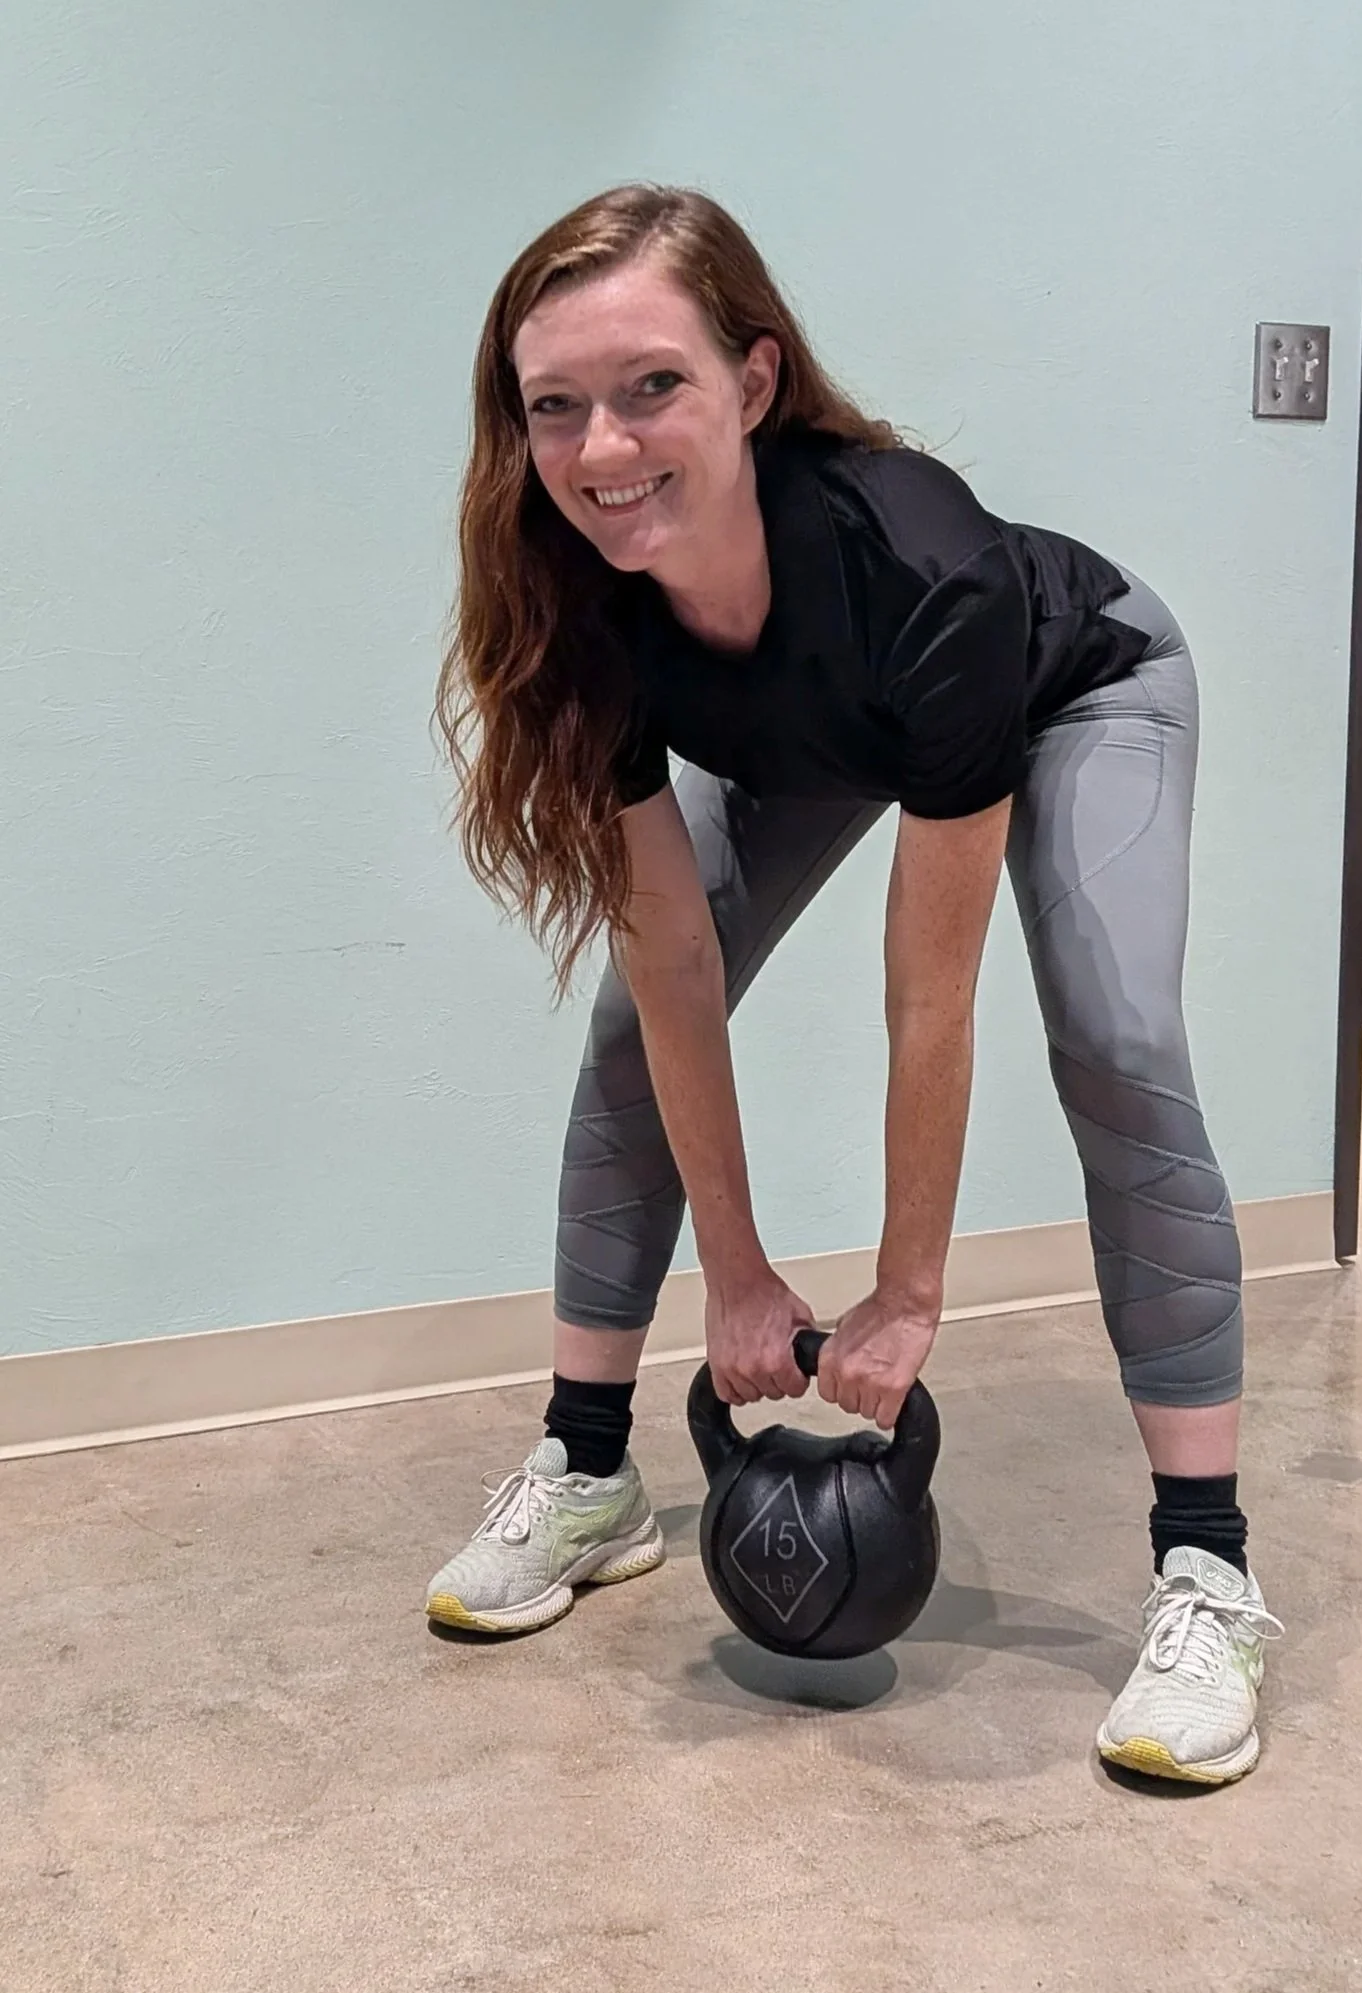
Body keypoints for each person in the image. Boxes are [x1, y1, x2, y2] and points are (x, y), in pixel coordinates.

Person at [429, 185, 1282, 1784]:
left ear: (754, 382)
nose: (602, 450)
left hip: (1072, 680)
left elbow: (926, 998)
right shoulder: (578, 604)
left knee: (1114, 1039)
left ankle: (1208, 1569)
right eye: (556, 408)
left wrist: (905, 1296)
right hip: (825, 730)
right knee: (630, 1035)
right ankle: (589, 1466)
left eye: (651, 387)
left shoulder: (923, 564)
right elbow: (673, 958)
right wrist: (739, 1274)